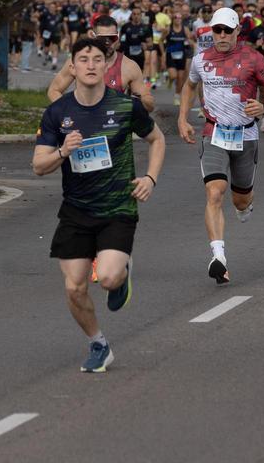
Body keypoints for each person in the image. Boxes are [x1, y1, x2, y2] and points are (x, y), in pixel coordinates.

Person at [32, 37, 166, 373]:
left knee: (106, 278)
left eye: (97, 59)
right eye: (83, 59)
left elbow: (157, 139)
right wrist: (63, 151)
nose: (90, 65)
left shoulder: (125, 106)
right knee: (74, 287)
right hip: (76, 210)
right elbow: (38, 165)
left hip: (117, 207)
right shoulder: (58, 113)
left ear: (107, 66)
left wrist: (150, 178)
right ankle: (99, 344)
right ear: (72, 67)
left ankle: (121, 271)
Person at [178, 8, 264, 284]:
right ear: (211, 31)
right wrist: (182, 118)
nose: (222, 35)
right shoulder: (201, 60)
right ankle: (218, 257)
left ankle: (245, 205)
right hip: (213, 133)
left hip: (245, 135)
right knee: (215, 192)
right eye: (218, 30)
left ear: (237, 31)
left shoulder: (253, 58)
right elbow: (189, 86)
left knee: (240, 199)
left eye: (228, 30)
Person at [47, 14, 155, 111]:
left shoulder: (129, 66)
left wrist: (140, 102)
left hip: (115, 125)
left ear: (118, 37)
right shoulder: (77, 61)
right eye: (102, 38)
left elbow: (148, 104)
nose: (107, 42)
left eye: (112, 38)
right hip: (85, 124)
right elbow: (54, 90)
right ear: (93, 36)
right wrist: (71, 113)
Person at [166, 11, 191, 106]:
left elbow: (190, 40)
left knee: (180, 78)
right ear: (173, 19)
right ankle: (170, 80)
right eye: (176, 17)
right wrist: (163, 53)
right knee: (173, 76)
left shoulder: (185, 29)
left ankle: (177, 96)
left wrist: (191, 43)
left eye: (179, 17)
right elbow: (161, 40)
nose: (178, 19)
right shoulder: (168, 29)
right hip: (170, 55)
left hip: (182, 56)